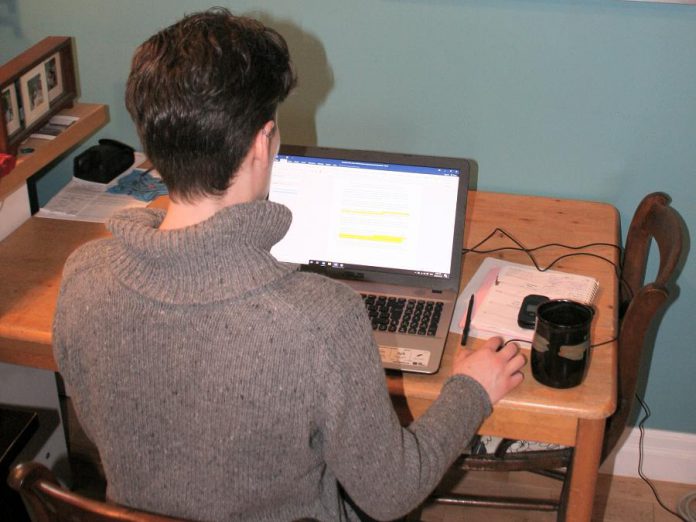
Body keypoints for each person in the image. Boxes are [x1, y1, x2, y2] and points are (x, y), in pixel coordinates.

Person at [53, 8, 525, 521]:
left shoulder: (85, 275)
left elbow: (101, 417)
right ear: (263, 142)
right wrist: (471, 390)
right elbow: (391, 494)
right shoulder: (320, 319)